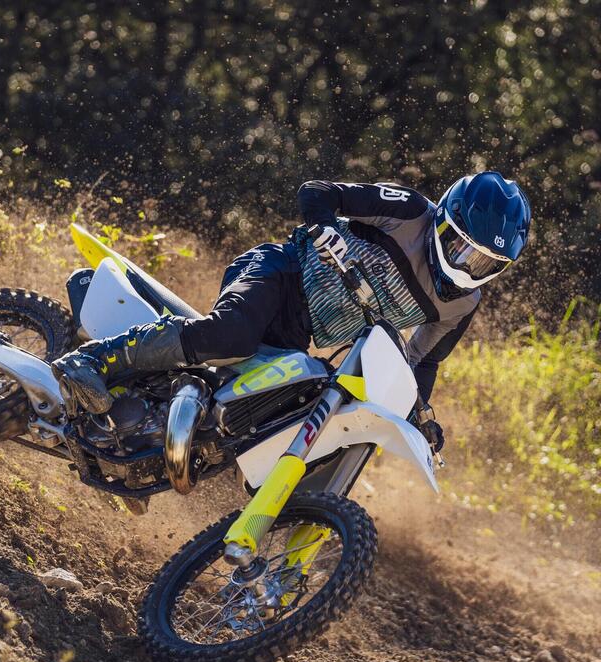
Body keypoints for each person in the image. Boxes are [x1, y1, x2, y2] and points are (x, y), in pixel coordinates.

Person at [52, 171, 531, 452]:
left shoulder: (462, 303)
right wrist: (324, 227)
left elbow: (422, 362)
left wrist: (417, 416)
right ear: (443, 219)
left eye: (484, 263)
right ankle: (93, 359)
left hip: (300, 333)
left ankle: (148, 440)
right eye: (460, 246)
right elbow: (317, 192)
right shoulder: (408, 209)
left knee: (268, 418)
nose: (467, 266)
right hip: (281, 272)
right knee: (230, 336)